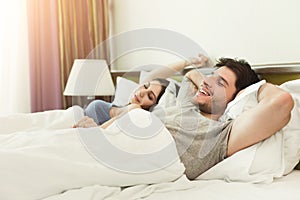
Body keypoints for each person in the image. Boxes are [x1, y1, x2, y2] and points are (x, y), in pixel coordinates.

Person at [75, 55, 294, 179]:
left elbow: (281, 104)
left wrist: (255, 88)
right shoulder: (187, 104)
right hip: (101, 141)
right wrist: (208, 83)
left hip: (123, 161)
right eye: (213, 77)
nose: (209, 82)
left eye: (222, 83)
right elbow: (190, 75)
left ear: (235, 98)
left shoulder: (222, 135)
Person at [74, 78, 170, 128]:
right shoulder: (123, 106)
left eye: (150, 96)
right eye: (145, 86)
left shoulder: (135, 108)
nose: (141, 92)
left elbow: (101, 131)